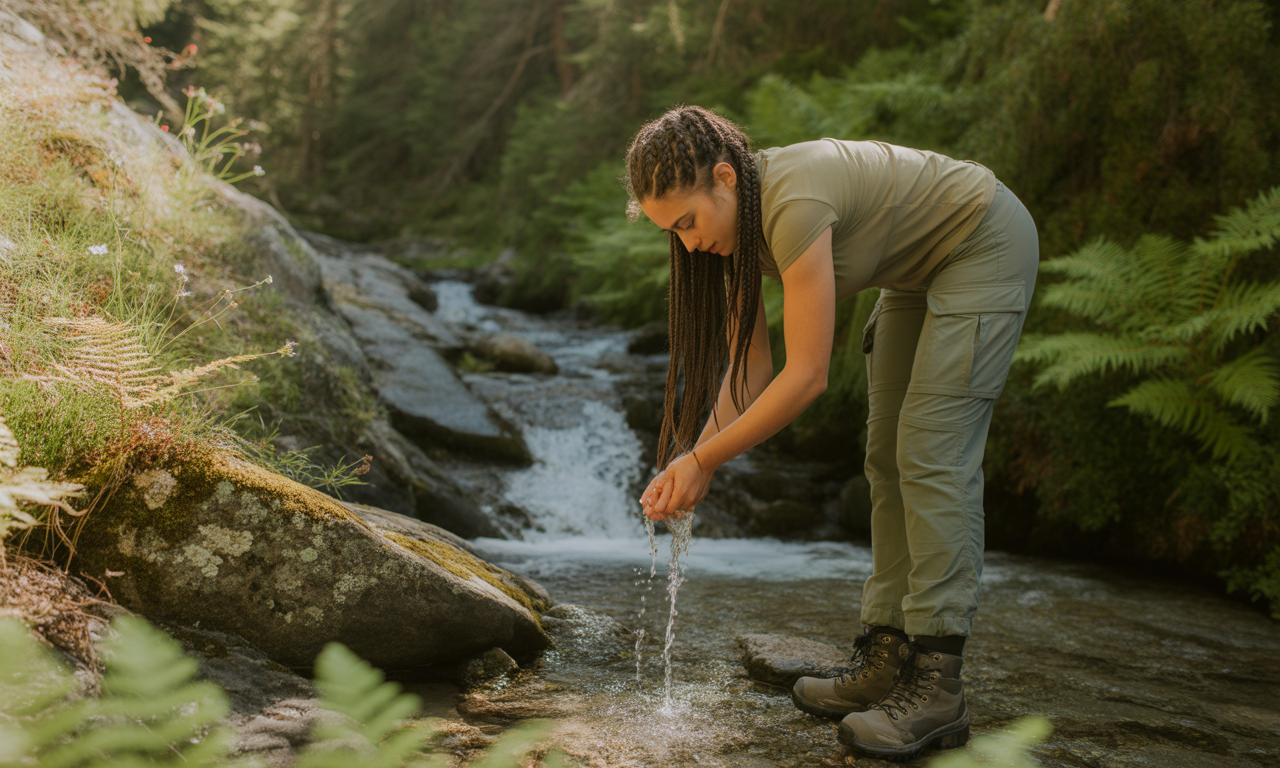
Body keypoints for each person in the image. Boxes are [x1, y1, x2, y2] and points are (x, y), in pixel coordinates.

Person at [630, 105, 1039, 760]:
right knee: (884, 456)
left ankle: (938, 684)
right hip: (916, 272)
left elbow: (808, 375)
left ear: (726, 179)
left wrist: (707, 460)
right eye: (667, 232)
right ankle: (886, 653)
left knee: (930, 449)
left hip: (982, 239)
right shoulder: (731, 242)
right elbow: (751, 370)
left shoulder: (792, 201)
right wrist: (689, 459)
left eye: (687, 222)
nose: (685, 243)